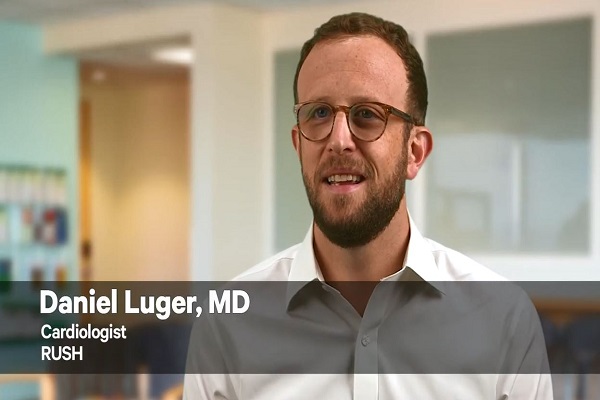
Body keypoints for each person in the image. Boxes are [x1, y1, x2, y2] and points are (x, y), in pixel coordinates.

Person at [184, 12, 552, 399]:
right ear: (298, 145)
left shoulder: (502, 321)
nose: (338, 140)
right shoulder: (227, 325)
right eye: (319, 113)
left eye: (367, 115)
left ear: (414, 152)